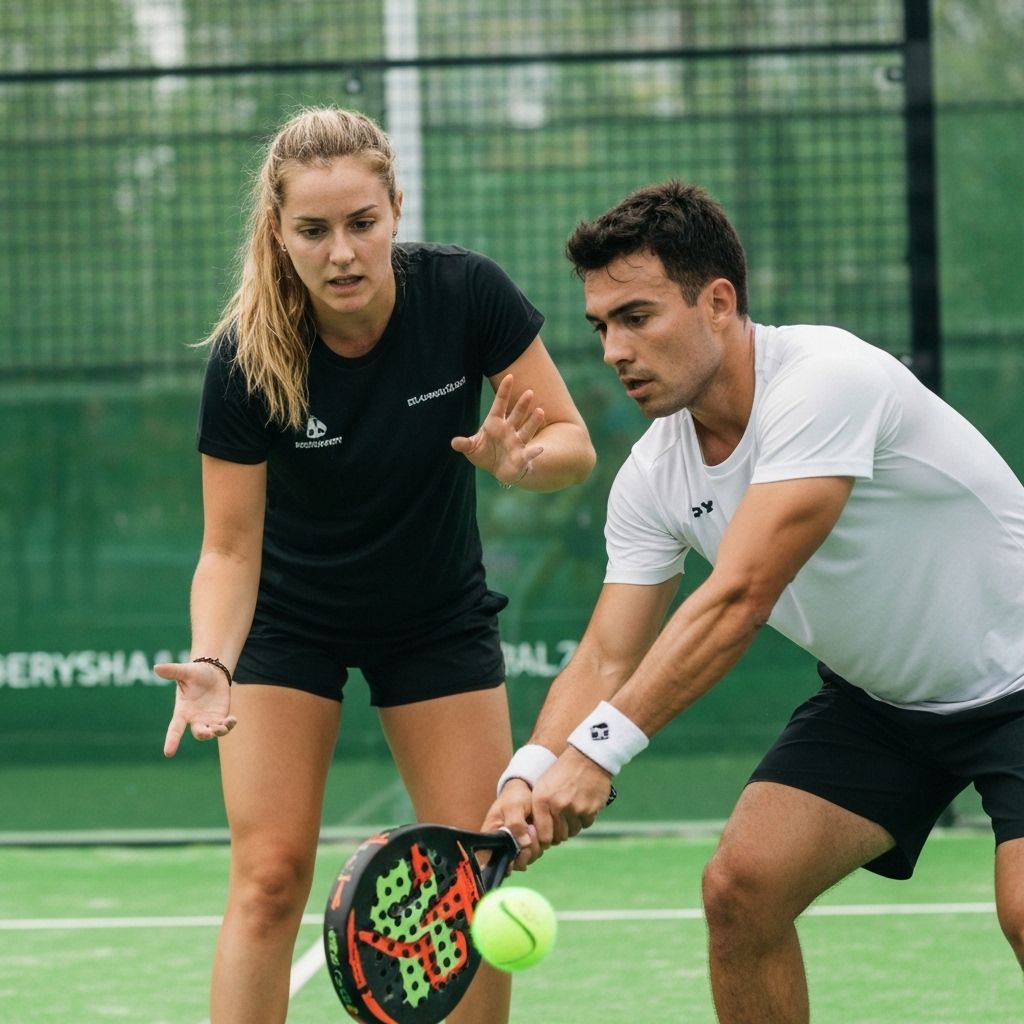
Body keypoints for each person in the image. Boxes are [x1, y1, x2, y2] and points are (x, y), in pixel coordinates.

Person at [485, 179, 1024, 1023]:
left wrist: (597, 754)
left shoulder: (826, 380)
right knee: (741, 890)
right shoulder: (652, 475)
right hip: (885, 707)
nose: (614, 350)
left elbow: (741, 594)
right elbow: (606, 655)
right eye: (601, 326)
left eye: (637, 317)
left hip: (1019, 680)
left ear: (718, 302)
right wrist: (531, 770)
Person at [153, 106, 595, 1024]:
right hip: (289, 624)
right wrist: (212, 660)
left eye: (362, 222)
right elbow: (229, 547)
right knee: (269, 878)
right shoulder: (245, 357)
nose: (342, 252)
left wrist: (521, 464)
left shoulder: (466, 293)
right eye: (314, 230)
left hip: (433, 618)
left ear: (396, 206)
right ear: (280, 233)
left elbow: (572, 446)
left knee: (470, 872)